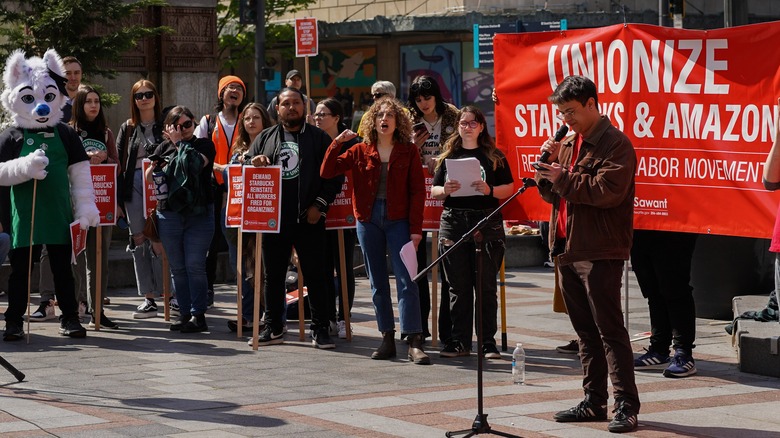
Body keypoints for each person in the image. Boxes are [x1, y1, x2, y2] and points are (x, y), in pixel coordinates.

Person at [534, 75, 639, 433]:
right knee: (585, 333)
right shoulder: (568, 143)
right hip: (567, 247)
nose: (566, 120)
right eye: (562, 114)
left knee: (610, 330)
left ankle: (626, 404)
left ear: (592, 104)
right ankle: (594, 401)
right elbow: (553, 196)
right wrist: (545, 170)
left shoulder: (615, 144)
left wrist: (562, 177)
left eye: (571, 112)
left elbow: (606, 191)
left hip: (600, 249)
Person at [321, 97, 431, 365]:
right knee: (377, 282)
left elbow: (418, 192)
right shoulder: (360, 150)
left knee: (407, 280)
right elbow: (327, 172)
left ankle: (413, 340)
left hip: (399, 220)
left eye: (389, 116)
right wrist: (336, 142)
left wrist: (416, 230)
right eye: (379, 115)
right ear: (372, 120)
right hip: (368, 220)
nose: (384, 119)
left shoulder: (408, 150)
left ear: (398, 121)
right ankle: (387, 338)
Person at [246, 88, 343, 349]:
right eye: (285, 103)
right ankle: (274, 327)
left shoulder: (320, 138)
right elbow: (244, 166)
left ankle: (320, 328)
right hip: (274, 220)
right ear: (277, 109)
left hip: (309, 219)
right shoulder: (264, 138)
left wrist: (319, 206)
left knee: (317, 275)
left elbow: (335, 176)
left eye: (296, 103)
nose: (291, 107)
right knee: (273, 276)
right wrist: (254, 161)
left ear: (304, 106)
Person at [430, 106, 514, 359]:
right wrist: (445, 189)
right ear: (457, 127)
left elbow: (508, 188)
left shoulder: (494, 155)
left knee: (486, 286)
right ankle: (459, 341)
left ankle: (487, 342)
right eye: (463, 123)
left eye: (472, 123)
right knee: (458, 287)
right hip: (454, 221)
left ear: (481, 126)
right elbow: (434, 191)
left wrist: (489, 189)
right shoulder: (448, 155)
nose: (467, 127)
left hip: (486, 221)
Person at [148, 106, 216, 333]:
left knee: (195, 265)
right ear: (168, 128)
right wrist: (155, 166)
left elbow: (195, 165)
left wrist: (179, 144)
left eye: (187, 124)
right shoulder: (162, 147)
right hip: (169, 214)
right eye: (177, 126)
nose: (183, 129)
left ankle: (199, 315)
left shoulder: (204, 144)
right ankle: (184, 313)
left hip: (199, 214)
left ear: (195, 124)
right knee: (177, 268)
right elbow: (150, 178)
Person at [407, 74, 459, 342]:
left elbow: (465, 145)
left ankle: (448, 330)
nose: (423, 104)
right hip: (417, 193)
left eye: (427, 98)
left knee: (447, 261)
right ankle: (419, 326)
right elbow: (397, 151)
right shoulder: (408, 119)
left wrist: (443, 158)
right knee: (418, 265)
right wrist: (413, 148)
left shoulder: (453, 115)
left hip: (447, 192)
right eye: (418, 99)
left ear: (436, 96)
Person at [194, 75, 247, 308]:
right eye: (230, 87)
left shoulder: (249, 119)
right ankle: (207, 290)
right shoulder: (208, 121)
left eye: (239, 88)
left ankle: (248, 294)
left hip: (242, 187)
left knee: (242, 243)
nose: (234, 91)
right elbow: (196, 151)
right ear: (221, 93)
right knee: (211, 241)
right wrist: (217, 167)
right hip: (214, 186)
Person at [69, 85, 120, 329]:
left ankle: (97, 310)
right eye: (88, 101)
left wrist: (104, 159)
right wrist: (83, 157)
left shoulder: (106, 133)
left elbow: (117, 166)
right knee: (75, 258)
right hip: (76, 204)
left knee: (99, 259)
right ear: (79, 104)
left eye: (97, 101)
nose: (93, 105)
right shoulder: (69, 131)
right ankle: (75, 307)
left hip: (102, 201)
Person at [116, 79, 166, 319]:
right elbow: (117, 165)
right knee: (138, 238)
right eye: (139, 95)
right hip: (132, 184)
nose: (144, 99)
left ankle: (168, 294)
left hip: (157, 183)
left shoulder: (165, 124)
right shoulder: (127, 127)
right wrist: (117, 201)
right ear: (133, 100)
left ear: (156, 97)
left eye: (148, 94)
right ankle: (148, 297)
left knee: (158, 238)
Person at [224, 102, 272, 333]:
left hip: (265, 216)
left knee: (263, 269)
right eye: (247, 118)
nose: (251, 122)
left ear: (265, 120)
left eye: (256, 117)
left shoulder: (274, 146)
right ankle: (246, 315)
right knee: (241, 268)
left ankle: (267, 316)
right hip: (239, 218)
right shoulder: (237, 151)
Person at [314, 98, 360, 339]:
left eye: (323, 114)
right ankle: (328, 317)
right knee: (322, 268)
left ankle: (344, 318)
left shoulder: (354, 142)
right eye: (316, 114)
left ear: (336, 117)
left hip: (345, 213)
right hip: (320, 212)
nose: (318, 118)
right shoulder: (312, 140)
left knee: (344, 268)